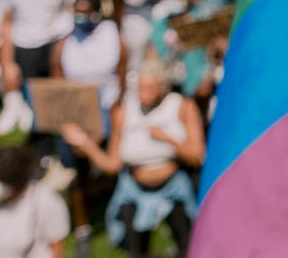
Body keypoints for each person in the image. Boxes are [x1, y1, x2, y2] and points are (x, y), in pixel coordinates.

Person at [62, 62, 201, 255]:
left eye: (150, 89)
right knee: (136, 250)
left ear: (163, 87)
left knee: (189, 246)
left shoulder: (182, 106)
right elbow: (112, 165)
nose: (143, 94)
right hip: (135, 191)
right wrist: (86, 144)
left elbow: (197, 156)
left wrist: (169, 140)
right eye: (140, 88)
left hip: (174, 188)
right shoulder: (124, 112)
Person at [49, 0, 120, 250]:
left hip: (107, 109)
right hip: (76, 114)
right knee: (79, 175)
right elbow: (57, 86)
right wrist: (73, 125)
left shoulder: (113, 35)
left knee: (113, 166)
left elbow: (120, 79)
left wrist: (108, 122)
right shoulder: (64, 43)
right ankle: (82, 229)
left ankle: (116, 218)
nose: (80, 17)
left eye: (84, 11)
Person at [0, 0, 82, 137]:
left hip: (58, 42)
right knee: (32, 99)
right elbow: (6, 22)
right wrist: (7, 63)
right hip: (25, 44)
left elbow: (73, 10)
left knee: (59, 97)